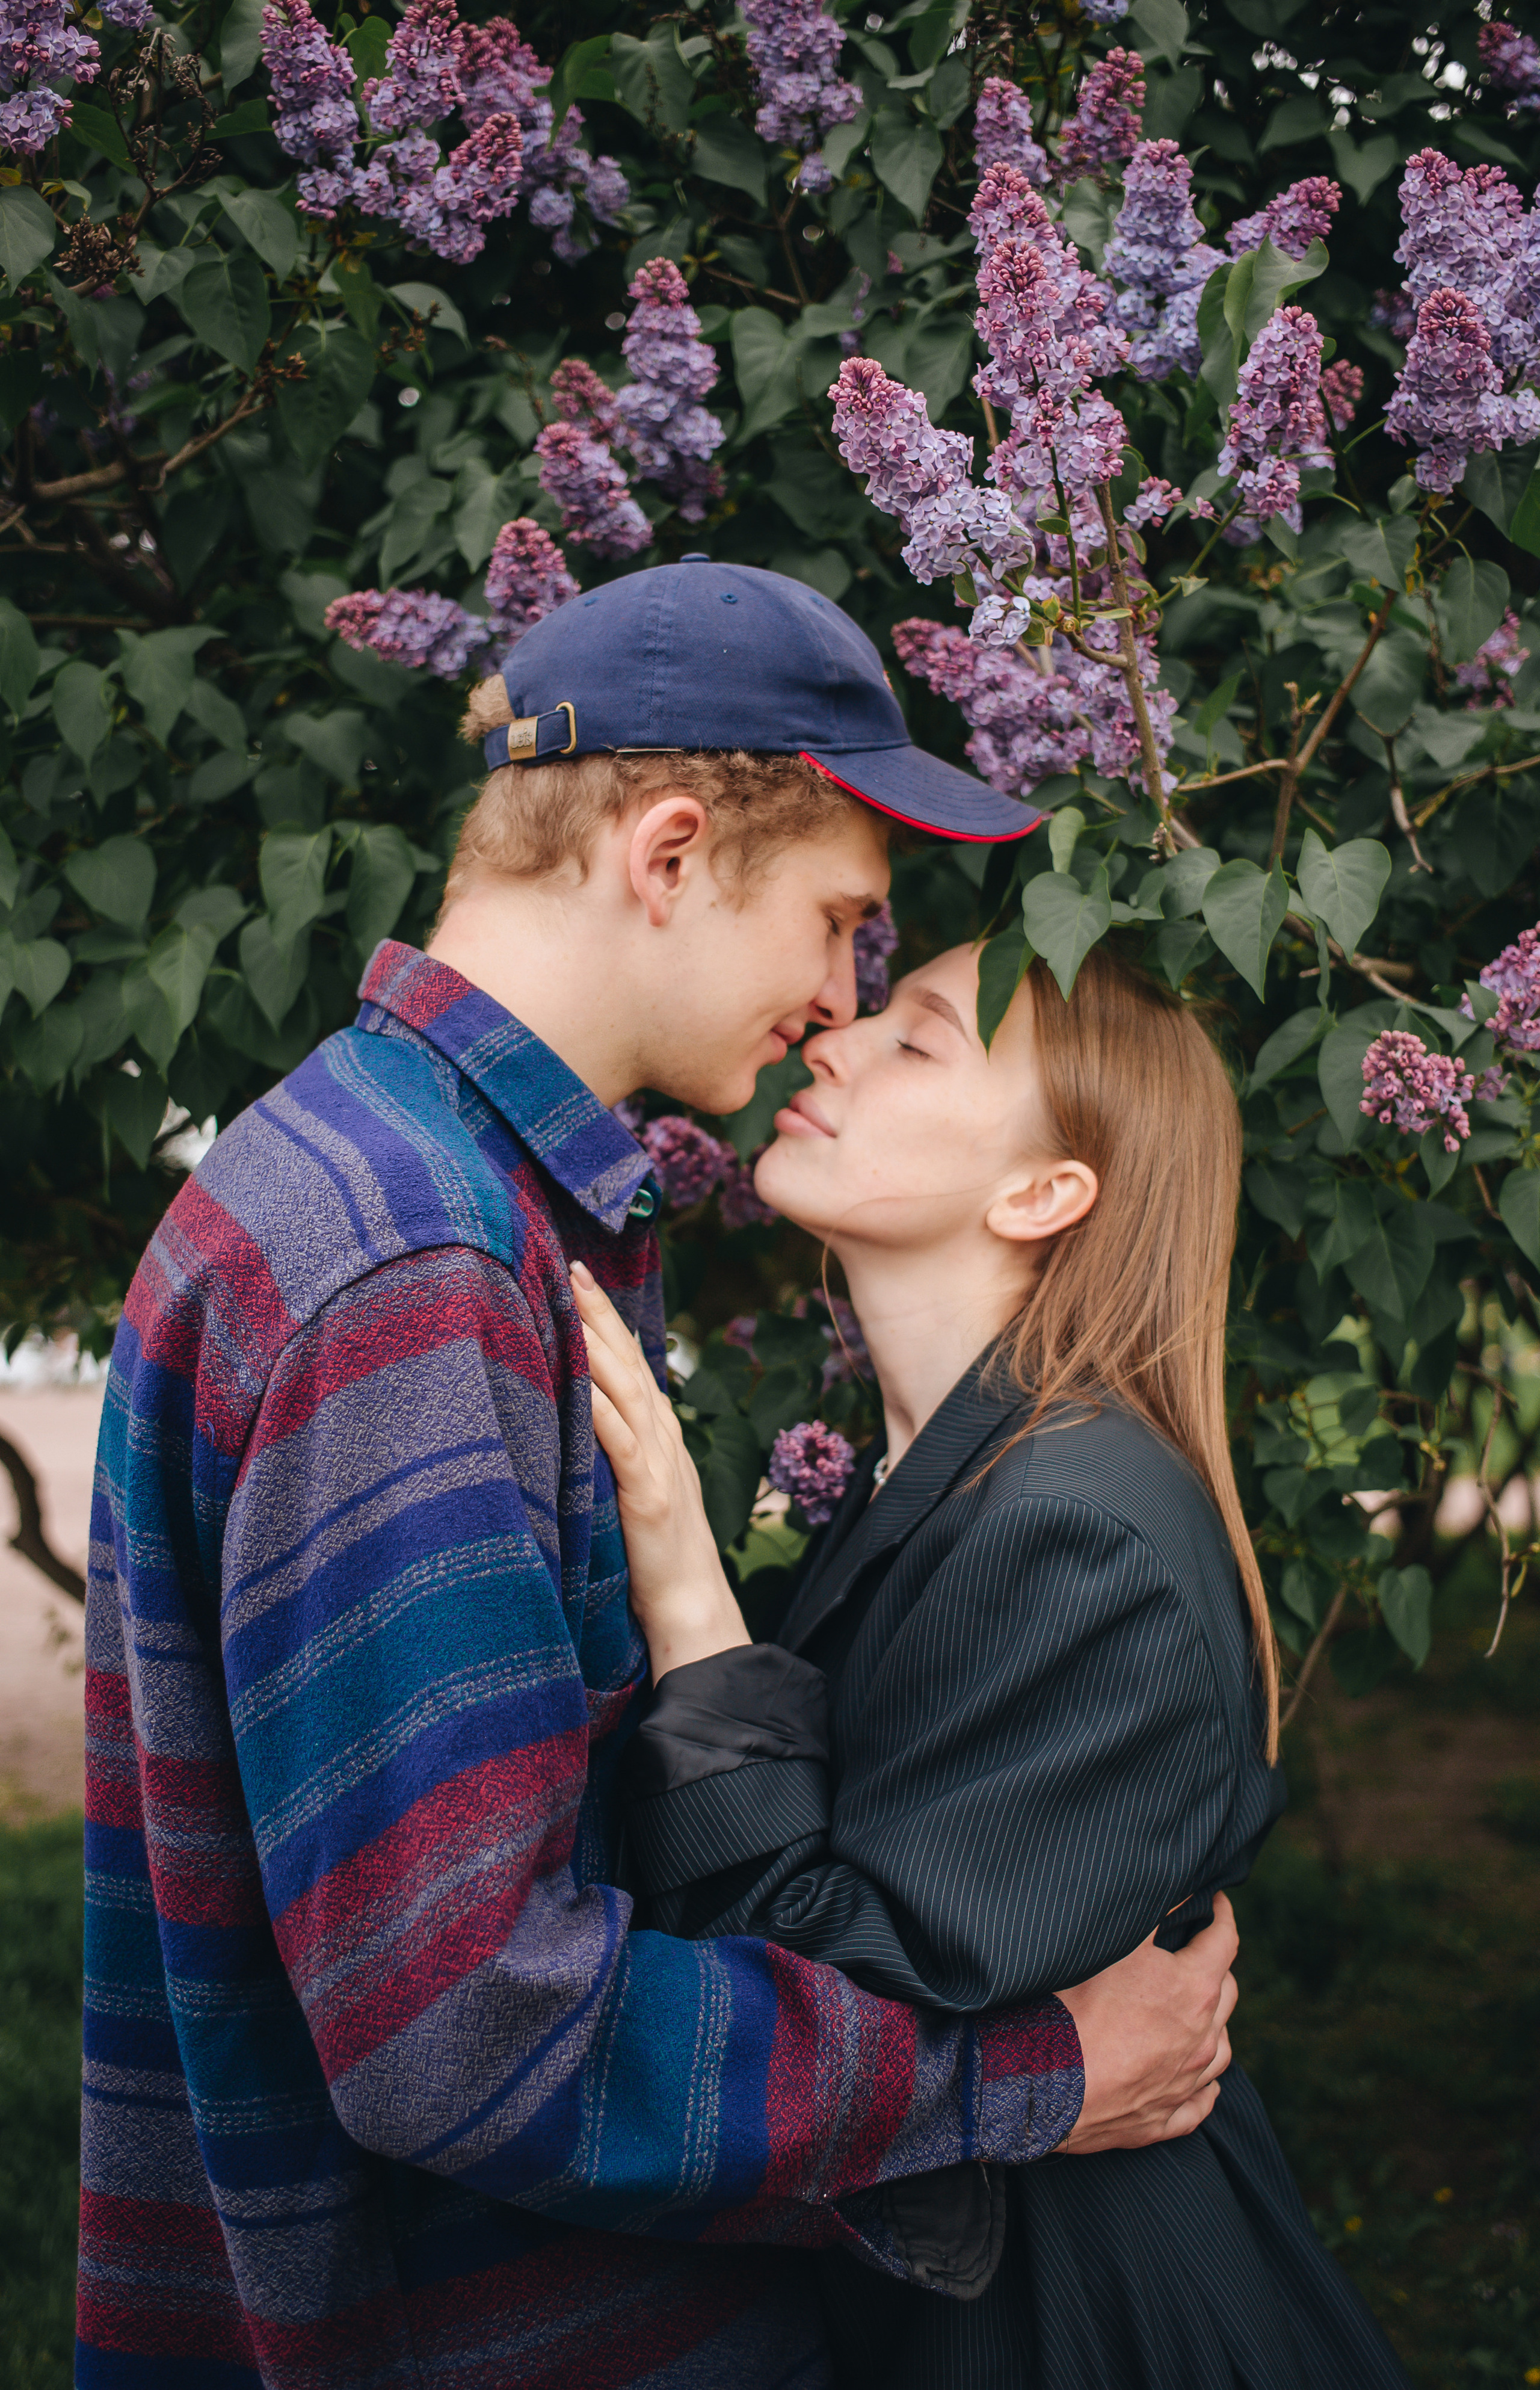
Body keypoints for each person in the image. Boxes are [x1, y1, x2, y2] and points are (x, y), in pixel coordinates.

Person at [78, 562, 1240, 2390]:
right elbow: (463, 2027)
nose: (838, 993)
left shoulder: (416, 1190)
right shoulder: (414, 1260)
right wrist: (1029, 2074)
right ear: (673, 852)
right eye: (840, 920)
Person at [575, 931, 1414, 2389]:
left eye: (915, 1040)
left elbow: (827, 2006)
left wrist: (685, 1579)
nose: (828, 1037)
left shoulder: (1074, 1527)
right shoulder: (964, 1479)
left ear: (1040, 1194)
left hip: (1060, 2314)